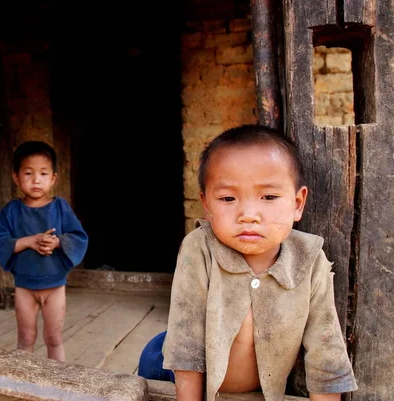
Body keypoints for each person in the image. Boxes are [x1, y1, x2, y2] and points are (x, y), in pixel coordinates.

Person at [137, 125, 357, 401]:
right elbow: (186, 344)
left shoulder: (310, 260)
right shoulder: (198, 249)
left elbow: (325, 348)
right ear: (207, 205)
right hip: (166, 365)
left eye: (269, 197)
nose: (249, 215)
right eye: (228, 198)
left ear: (298, 203)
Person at [0, 141, 88, 362]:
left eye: (43, 173)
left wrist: (57, 242)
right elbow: (1, 242)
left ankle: (57, 386)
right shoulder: (11, 211)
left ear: (53, 178)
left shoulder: (60, 207)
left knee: (54, 338)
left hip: (55, 287)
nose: (36, 180)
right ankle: (22, 384)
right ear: (16, 177)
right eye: (28, 173)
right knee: (25, 338)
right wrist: (28, 241)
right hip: (25, 288)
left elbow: (78, 237)